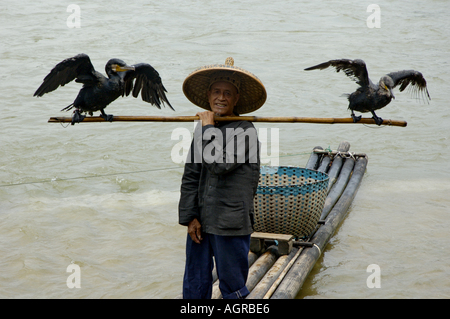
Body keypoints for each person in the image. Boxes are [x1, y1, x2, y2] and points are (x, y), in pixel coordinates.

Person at [179, 57, 267, 299]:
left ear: (236, 99)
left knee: (232, 287)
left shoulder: (245, 131)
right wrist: (190, 217)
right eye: (216, 92)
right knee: (195, 282)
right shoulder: (203, 129)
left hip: (230, 222)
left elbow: (219, 164)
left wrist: (207, 129)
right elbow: (191, 175)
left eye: (228, 93)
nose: (221, 97)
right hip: (202, 222)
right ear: (208, 95)